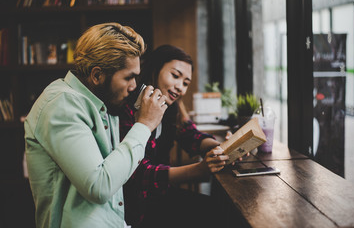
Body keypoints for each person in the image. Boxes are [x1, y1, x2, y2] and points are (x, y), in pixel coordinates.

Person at [24, 23, 168, 228]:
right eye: (129, 77)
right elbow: (98, 186)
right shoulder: (61, 105)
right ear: (97, 75)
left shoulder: (102, 102)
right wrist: (144, 125)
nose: (134, 86)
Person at [118, 45, 231, 228]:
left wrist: (221, 147)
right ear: (155, 71)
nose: (180, 88)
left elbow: (190, 134)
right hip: (135, 211)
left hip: (158, 198)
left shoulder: (170, 107)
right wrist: (199, 170)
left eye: (186, 83)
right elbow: (139, 174)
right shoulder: (128, 108)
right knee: (215, 213)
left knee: (219, 210)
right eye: (175, 76)